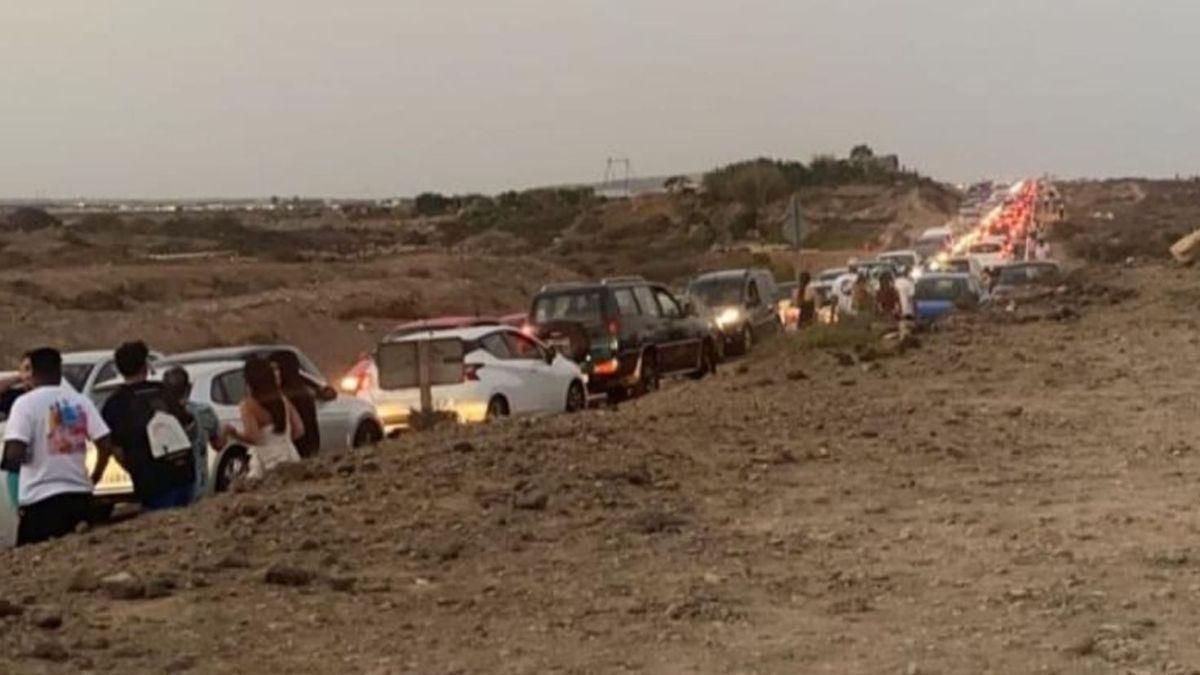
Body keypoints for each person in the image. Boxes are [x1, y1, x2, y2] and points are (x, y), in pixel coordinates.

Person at [2, 348, 113, 545]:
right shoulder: (80, 401)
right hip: (80, 496)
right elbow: (105, 443)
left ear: (33, 372)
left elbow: (14, 454)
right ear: (60, 371)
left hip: (40, 501)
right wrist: (94, 477)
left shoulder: (24, 404)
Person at [98, 341, 196, 510]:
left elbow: (115, 449)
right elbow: (188, 426)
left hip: (151, 481)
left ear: (119, 369)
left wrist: (134, 468)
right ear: (145, 365)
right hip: (183, 473)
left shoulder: (115, 403)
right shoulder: (164, 391)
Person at [224, 357, 303, 480]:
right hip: (291, 457)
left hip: (268, 463)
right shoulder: (282, 400)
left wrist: (233, 433)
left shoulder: (248, 405)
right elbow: (299, 430)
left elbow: (254, 438)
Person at [162, 367, 223, 500]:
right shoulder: (204, 412)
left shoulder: (158, 417)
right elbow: (218, 444)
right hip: (200, 486)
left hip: (169, 490)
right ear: (189, 387)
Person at [268, 351, 320, 458]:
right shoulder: (301, 391)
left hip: (293, 452)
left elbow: (299, 430)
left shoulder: (292, 396)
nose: (273, 373)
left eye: (276, 368)